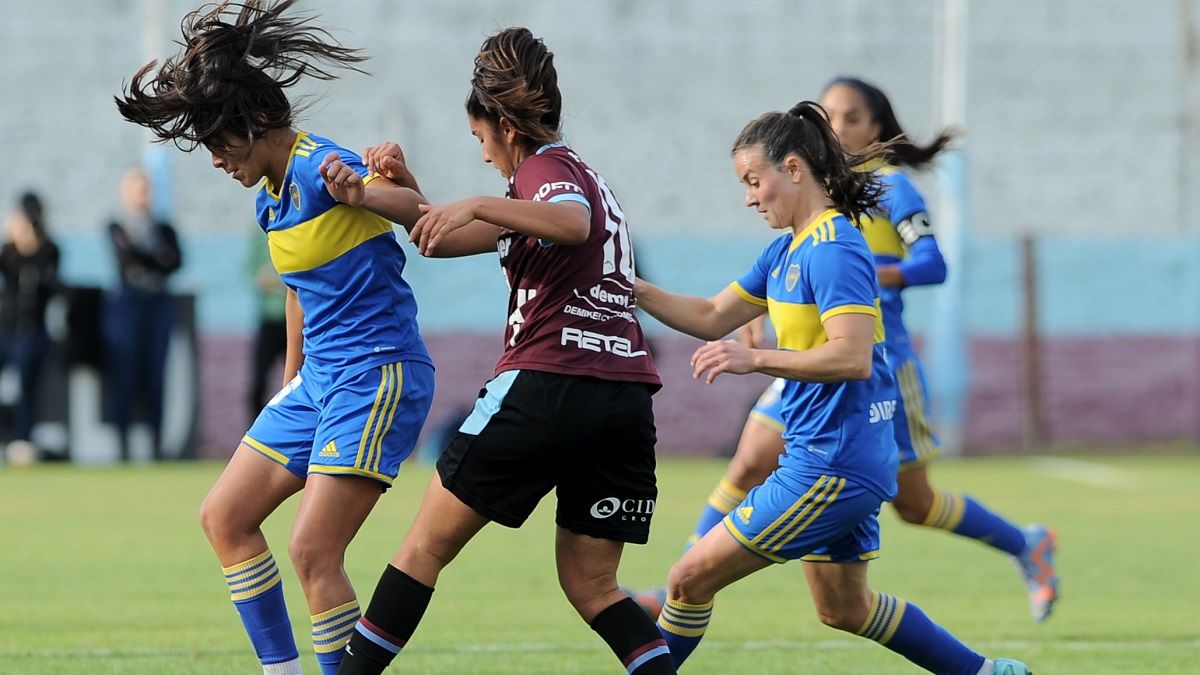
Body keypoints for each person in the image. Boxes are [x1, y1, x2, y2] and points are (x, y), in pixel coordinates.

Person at [633, 76, 1060, 627]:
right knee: (750, 459)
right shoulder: (798, 226)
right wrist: (749, 310)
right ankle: (683, 578)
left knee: (915, 505)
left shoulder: (885, 195)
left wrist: (866, 276)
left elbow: (931, 266)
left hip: (880, 366)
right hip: (808, 363)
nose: (837, 128)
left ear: (875, 127)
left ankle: (1025, 543)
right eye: (829, 116)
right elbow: (740, 302)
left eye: (851, 117)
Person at [330, 27, 674, 675]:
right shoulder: (573, 179)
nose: (484, 155)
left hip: (547, 384)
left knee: (422, 549)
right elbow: (439, 236)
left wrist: (474, 203)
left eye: (479, 139)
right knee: (595, 585)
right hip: (624, 400)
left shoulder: (547, 171)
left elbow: (568, 221)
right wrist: (397, 193)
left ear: (505, 129)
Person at [115, 2, 435, 673]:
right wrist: (291, 374)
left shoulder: (327, 167)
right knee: (225, 516)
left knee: (313, 550)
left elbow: (419, 214)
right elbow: (298, 289)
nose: (213, 161)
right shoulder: (270, 195)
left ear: (257, 122)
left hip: (377, 374)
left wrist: (366, 194)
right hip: (319, 380)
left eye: (218, 144)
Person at [104, 167, 182, 461]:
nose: (142, 194)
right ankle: (121, 445)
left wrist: (146, 257)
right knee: (124, 374)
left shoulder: (163, 227)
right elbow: (126, 258)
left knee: (155, 375)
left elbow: (174, 262)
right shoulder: (116, 225)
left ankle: (156, 444)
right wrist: (156, 257)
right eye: (137, 188)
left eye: (146, 188)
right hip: (127, 306)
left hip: (157, 304)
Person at [0, 192, 60, 458]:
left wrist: (32, 248)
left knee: (28, 388)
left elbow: (50, 286)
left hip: (33, 331)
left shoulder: (49, 250)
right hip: (6, 328)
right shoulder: (8, 250)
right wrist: (15, 243)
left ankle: (22, 441)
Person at [246, 228, 288, 416]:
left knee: (298, 381)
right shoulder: (260, 231)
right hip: (270, 319)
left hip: (297, 323)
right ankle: (257, 433)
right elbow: (251, 271)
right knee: (258, 383)